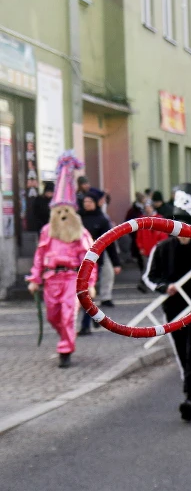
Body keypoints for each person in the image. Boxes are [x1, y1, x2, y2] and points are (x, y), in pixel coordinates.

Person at [144, 192, 191, 421]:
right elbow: (150, 276)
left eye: (187, 225)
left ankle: (189, 396)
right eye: (179, 225)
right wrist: (165, 287)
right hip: (173, 307)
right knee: (181, 351)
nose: (183, 230)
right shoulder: (163, 248)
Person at [27, 154, 97, 368]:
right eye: (59, 211)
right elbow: (39, 256)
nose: (63, 215)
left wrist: (90, 284)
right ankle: (65, 339)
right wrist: (35, 278)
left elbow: (89, 260)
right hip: (51, 279)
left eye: (67, 210)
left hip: (71, 280)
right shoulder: (47, 232)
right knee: (53, 316)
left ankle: (65, 350)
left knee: (67, 315)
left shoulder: (79, 232)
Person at [76, 195, 121, 337]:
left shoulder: (102, 220)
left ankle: (85, 325)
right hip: (77, 261)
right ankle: (94, 315)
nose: (87, 204)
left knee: (87, 293)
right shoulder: (77, 219)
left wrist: (116, 263)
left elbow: (110, 242)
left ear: (95, 203)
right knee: (83, 294)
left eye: (90, 201)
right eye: (85, 202)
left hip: (95, 262)